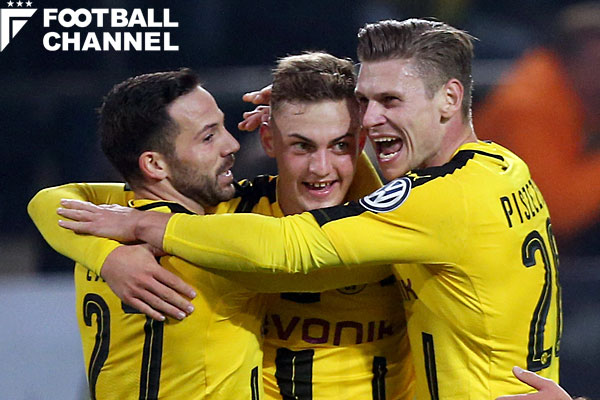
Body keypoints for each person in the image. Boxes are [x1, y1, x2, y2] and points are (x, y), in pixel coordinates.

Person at [56, 19, 563, 399]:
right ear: (271, 141)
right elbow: (58, 200)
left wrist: (142, 226)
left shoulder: (427, 204)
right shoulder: (503, 168)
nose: (374, 119)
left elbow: (292, 247)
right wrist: (109, 253)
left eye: (390, 101)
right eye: (366, 102)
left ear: (449, 98)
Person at [29, 55, 414, 399]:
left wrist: (105, 255)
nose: (232, 144)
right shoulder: (215, 246)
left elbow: (47, 200)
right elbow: (305, 251)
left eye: (342, 144)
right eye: (209, 136)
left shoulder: (107, 223)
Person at [474, 1, 600, 255]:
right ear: (578, 56)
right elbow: (557, 211)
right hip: (490, 246)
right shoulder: (531, 104)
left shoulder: (571, 90)